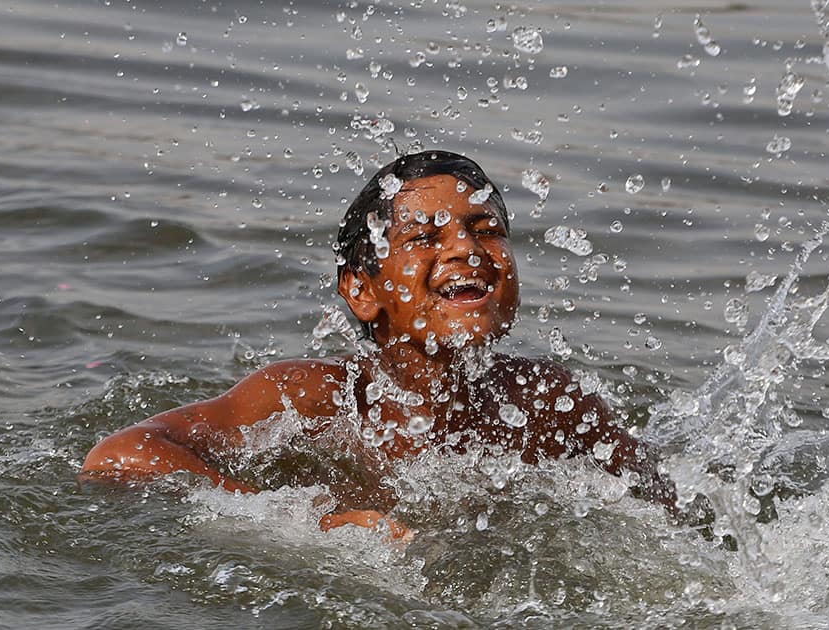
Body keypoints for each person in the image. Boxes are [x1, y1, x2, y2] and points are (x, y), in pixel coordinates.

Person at [81, 150, 677, 538]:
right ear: (363, 291)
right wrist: (303, 522)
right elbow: (120, 454)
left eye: (488, 231)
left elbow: (673, 512)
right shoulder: (313, 400)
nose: (467, 250)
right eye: (424, 237)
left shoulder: (546, 403)